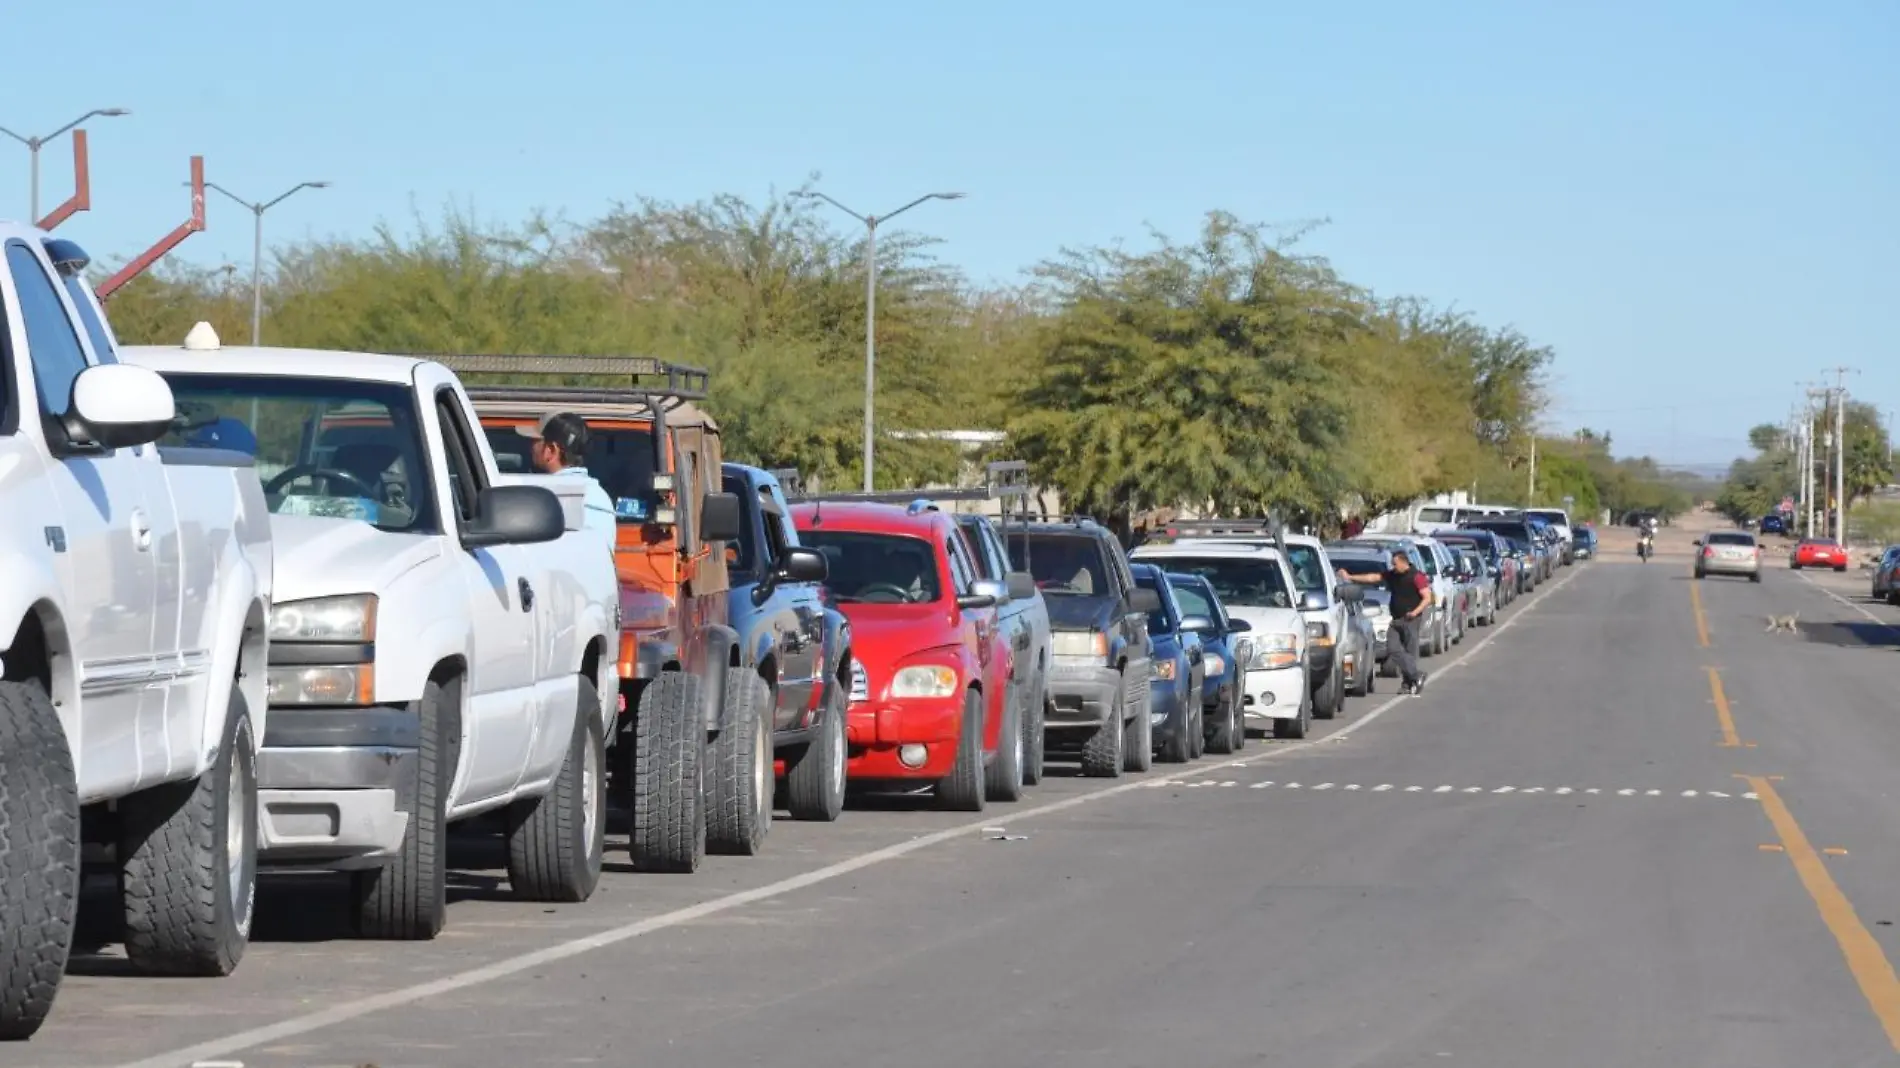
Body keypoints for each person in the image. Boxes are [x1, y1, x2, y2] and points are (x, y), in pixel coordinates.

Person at [1336, 548, 1434, 695]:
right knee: (1393, 648)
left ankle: (1408, 683)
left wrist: (1414, 612)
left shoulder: (1416, 576)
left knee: (1410, 652)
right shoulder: (1393, 575)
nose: (1393, 567)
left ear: (1403, 562)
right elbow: (1373, 578)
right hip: (1396, 619)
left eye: (1395, 564)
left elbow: (1427, 597)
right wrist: (1350, 577)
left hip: (1411, 619)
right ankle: (1416, 675)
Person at [518, 412, 616, 538]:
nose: (531, 447)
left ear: (551, 450)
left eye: (536, 441)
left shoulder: (547, 497)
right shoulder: (601, 497)